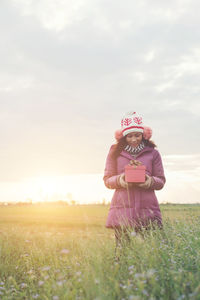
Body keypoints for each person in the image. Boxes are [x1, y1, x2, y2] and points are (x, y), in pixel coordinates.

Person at [103, 111, 166, 246]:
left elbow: (161, 181)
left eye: (137, 135)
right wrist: (121, 180)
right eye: (129, 136)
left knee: (147, 254)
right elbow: (107, 180)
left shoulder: (153, 153)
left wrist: (149, 181)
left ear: (143, 134)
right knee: (122, 253)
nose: (134, 139)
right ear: (123, 137)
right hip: (122, 210)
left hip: (147, 210)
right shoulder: (115, 152)